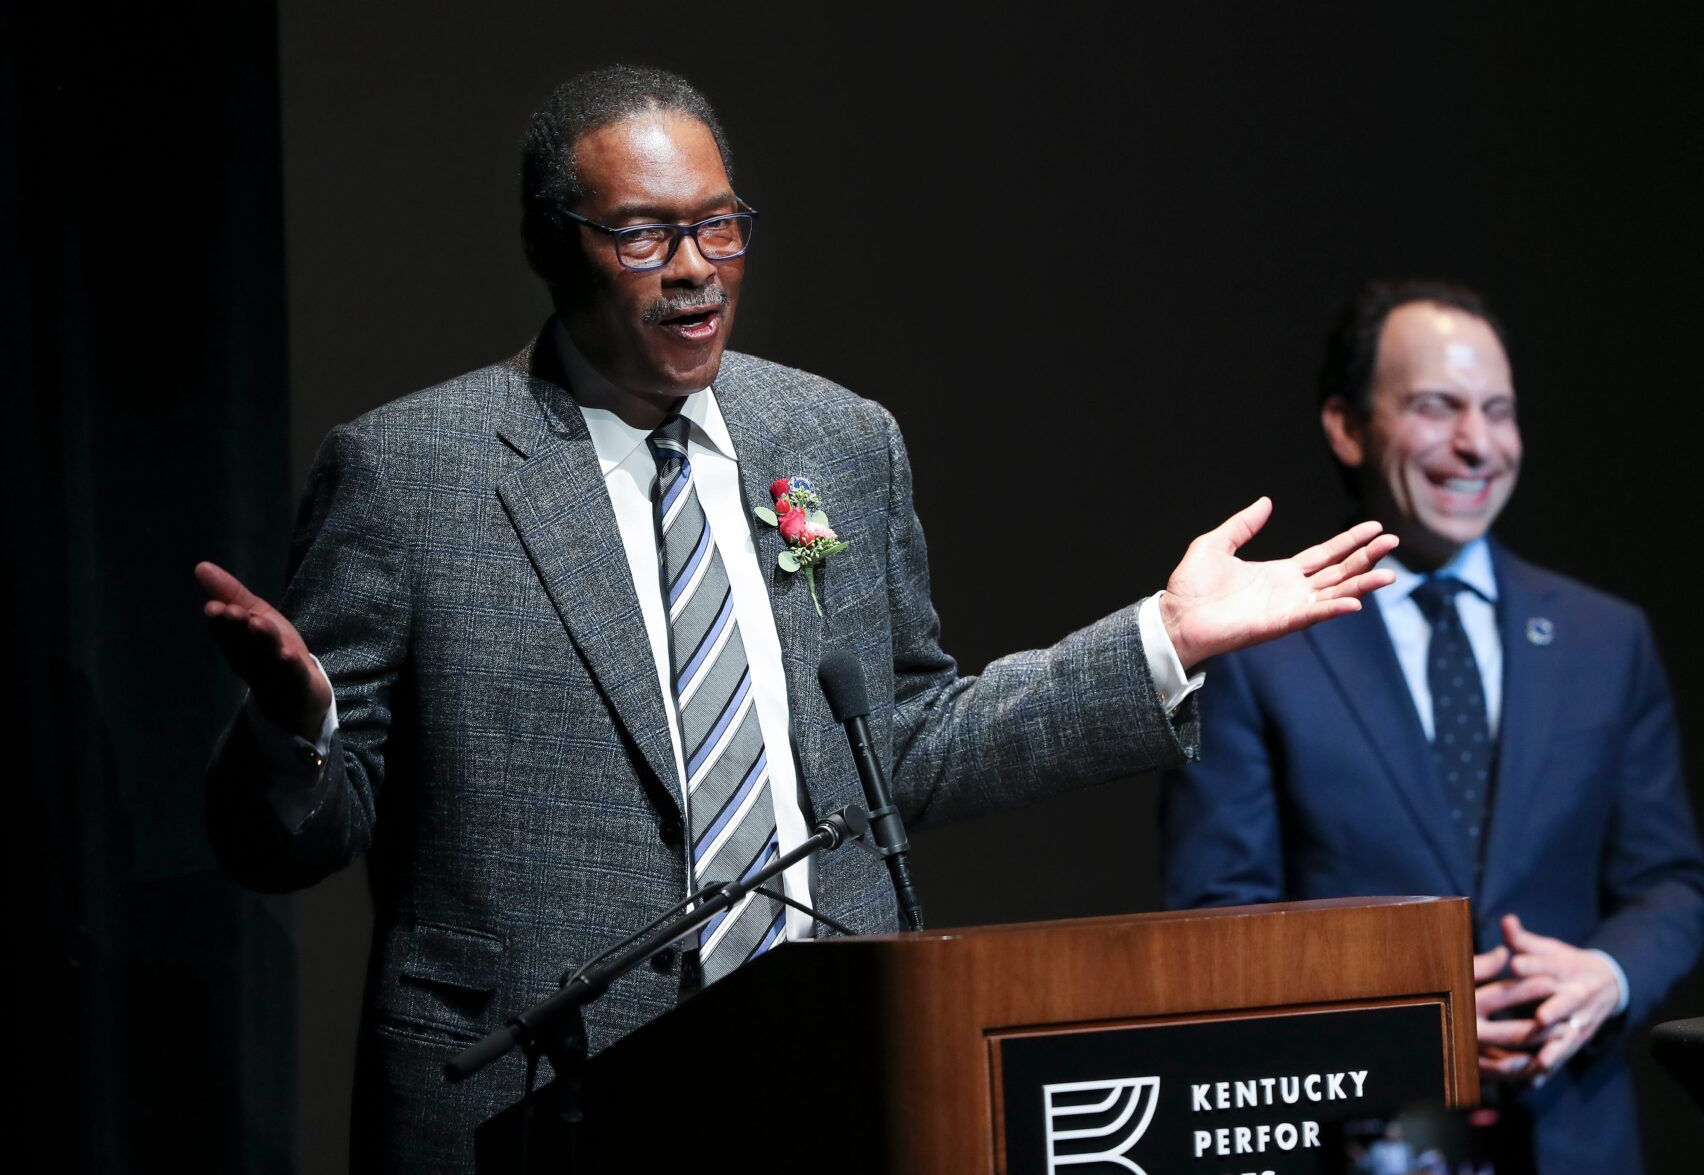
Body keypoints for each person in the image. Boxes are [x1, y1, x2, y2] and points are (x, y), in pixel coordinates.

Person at [194, 65, 1397, 1171]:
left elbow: (910, 742)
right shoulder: (416, 472)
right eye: (645, 232)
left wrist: (1160, 642)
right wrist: (298, 727)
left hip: (825, 1068)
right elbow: (286, 836)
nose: (696, 266)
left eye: (719, 224)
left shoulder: (836, 439)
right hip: (536, 1098)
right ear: (553, 246)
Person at [1159, 279, 1704, 1175]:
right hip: (1360, 1131)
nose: (1476, 443)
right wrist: (1423, 1010)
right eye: (1436, 407)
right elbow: (1215, 923)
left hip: (1576, 1133)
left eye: (1499, 411)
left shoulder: (1605, 638)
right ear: (1346, 425)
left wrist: (1604, 977)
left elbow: (1672, 882)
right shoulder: (1260, 651)